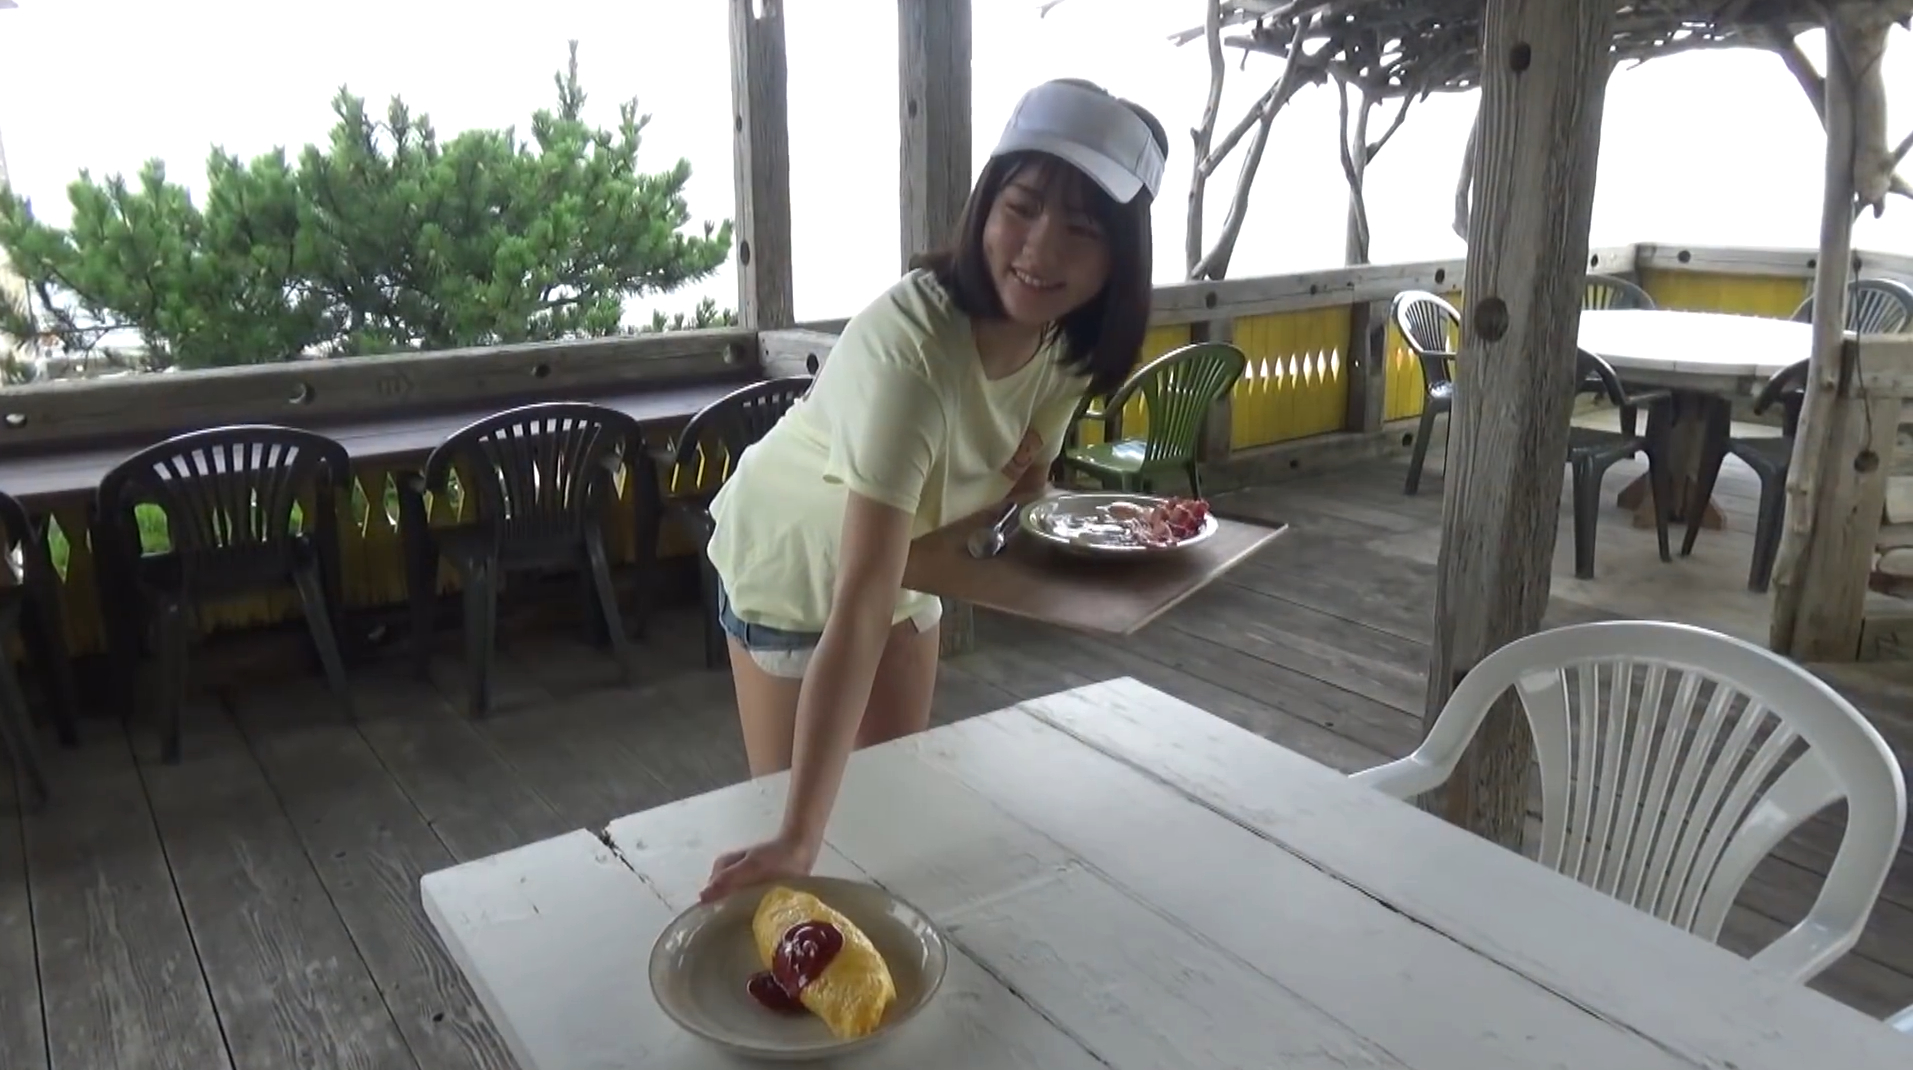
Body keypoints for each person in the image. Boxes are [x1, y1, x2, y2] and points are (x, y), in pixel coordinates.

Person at [697, 78, 1169, 902]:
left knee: (888, 805)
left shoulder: (1065, 344)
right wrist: (797, 835)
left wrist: (1086, 540)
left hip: (909, 555)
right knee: (796, 844)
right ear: (985, 206)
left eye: (1082, 228)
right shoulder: (912, 351)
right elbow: (859, 600)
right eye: (1021, 207)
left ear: (1119, 257)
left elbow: (1024, 488)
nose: (1041, 249)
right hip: (792, 558)